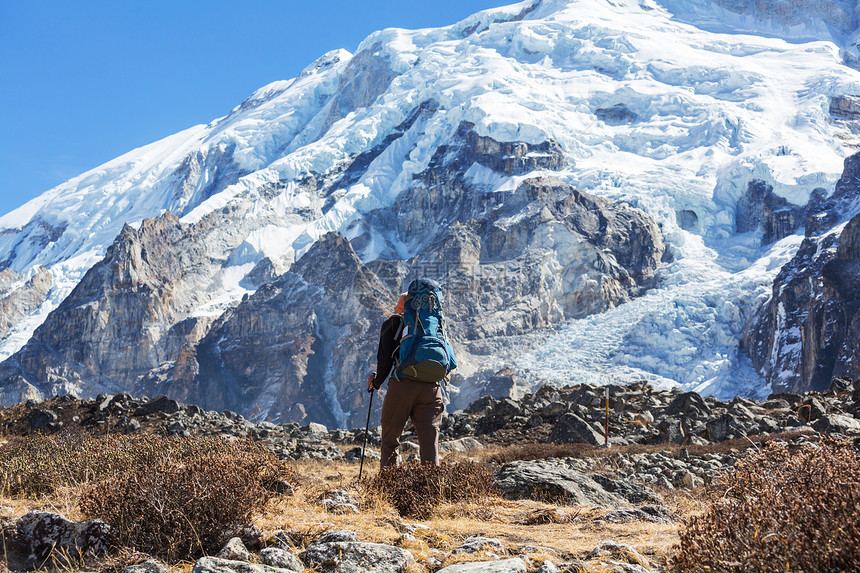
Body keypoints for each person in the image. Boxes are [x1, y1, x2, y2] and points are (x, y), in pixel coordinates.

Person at [366, 291, 446, 468]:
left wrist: (376, 382)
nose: (395, 306)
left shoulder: (394, 323)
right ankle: (433, 489)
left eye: (399, 302)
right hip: (432, 389)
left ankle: (389, 487)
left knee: (390, 440)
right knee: (430, 444)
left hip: (402, 386)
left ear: (406, 305)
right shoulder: (434, 325)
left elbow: (385, 360)